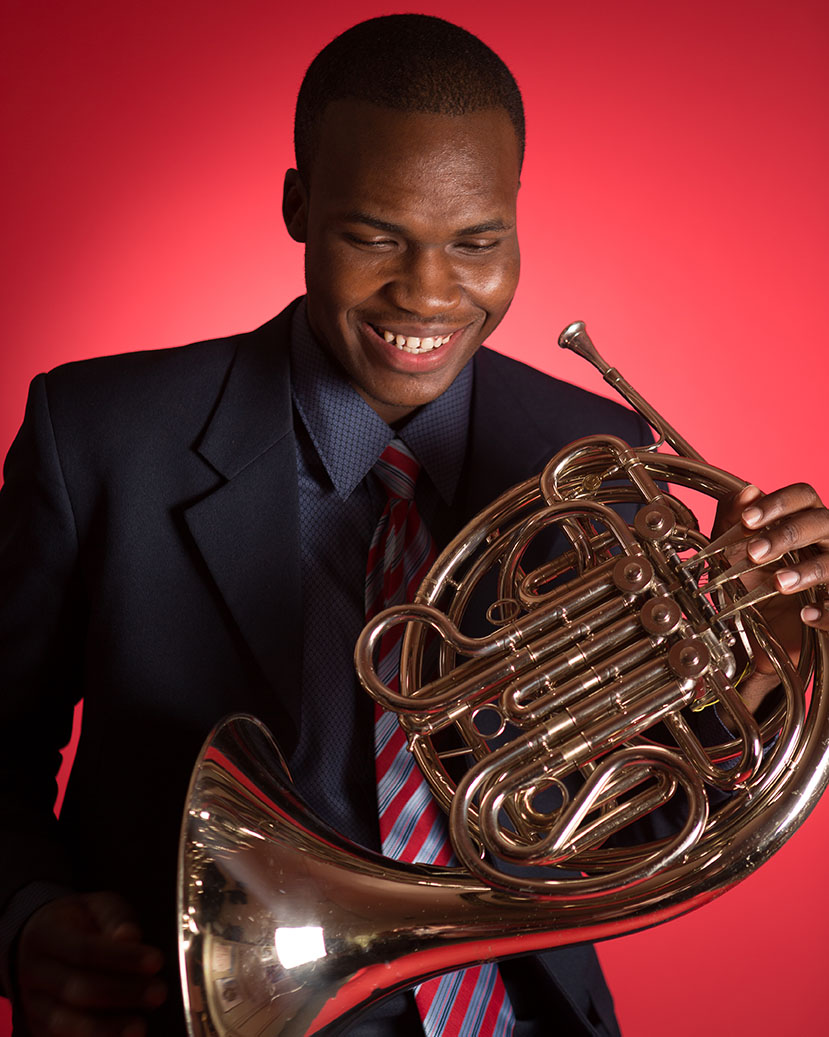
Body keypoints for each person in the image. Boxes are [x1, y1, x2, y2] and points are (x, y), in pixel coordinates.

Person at [1, 13, 827, 1037]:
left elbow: (636, 817)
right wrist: (24, 922)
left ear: (515, 218)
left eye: (476, 242)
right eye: (375, 236)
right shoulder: (99, 438)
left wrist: (764, 674)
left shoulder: (594, 453)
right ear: (299, 205)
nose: (429, 292)